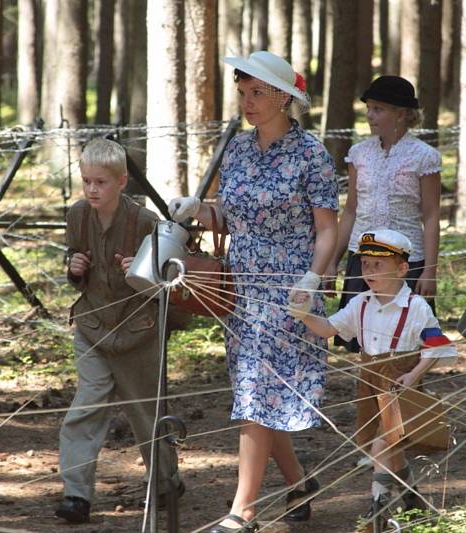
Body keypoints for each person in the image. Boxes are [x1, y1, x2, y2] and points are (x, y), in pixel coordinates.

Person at [168, 50, 338, 532]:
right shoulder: (235, 150)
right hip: (239, 285)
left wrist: (313, 278)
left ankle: (242, 511)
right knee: (258, 391)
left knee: (255, 391)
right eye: (243, 92)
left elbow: (328, 228)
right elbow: (231, 216)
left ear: (285, 97)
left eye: (258, 93)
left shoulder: (312, 154)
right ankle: (300, 482)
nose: (248, 102)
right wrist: (198, 210)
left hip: (289, 286)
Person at [290, 229, 456, 530]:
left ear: (402, 268)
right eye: (365, 264)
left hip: (399, 385)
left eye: (378, 265)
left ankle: (377, 513)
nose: (369, 271)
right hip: (368, 385)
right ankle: (414, 501)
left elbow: (438, 347)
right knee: (384, 449)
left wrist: (414, 374)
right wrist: (302, 314)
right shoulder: (360, 303)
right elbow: (328, 329)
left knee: (383, 444)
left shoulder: (416, 306)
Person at [56, 138, 182, 523]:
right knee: (86, 408)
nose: (92, 189)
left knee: (147, 414)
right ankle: (76, 495)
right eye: (87, 181)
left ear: (122, 181)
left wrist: (143, 270)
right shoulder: (77, 214)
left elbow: (171, 278)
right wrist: (74, 266)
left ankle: (166, 483)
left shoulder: (146, 222)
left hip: (139, 331)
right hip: (93, 327)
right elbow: (74, 259)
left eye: (101, 182)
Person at [327, 75, 442, 354]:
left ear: (401, 114)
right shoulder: (359, 154)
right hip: (363, 259)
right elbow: (351, 210)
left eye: (378, 109)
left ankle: (406, 395)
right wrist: (333, 262)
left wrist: (430, 270)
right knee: (365, 342)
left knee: (407, 343)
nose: (370, 115)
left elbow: (430, 215)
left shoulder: (423, 156)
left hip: (406, 262)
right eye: (368, 108)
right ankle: (367, 397)